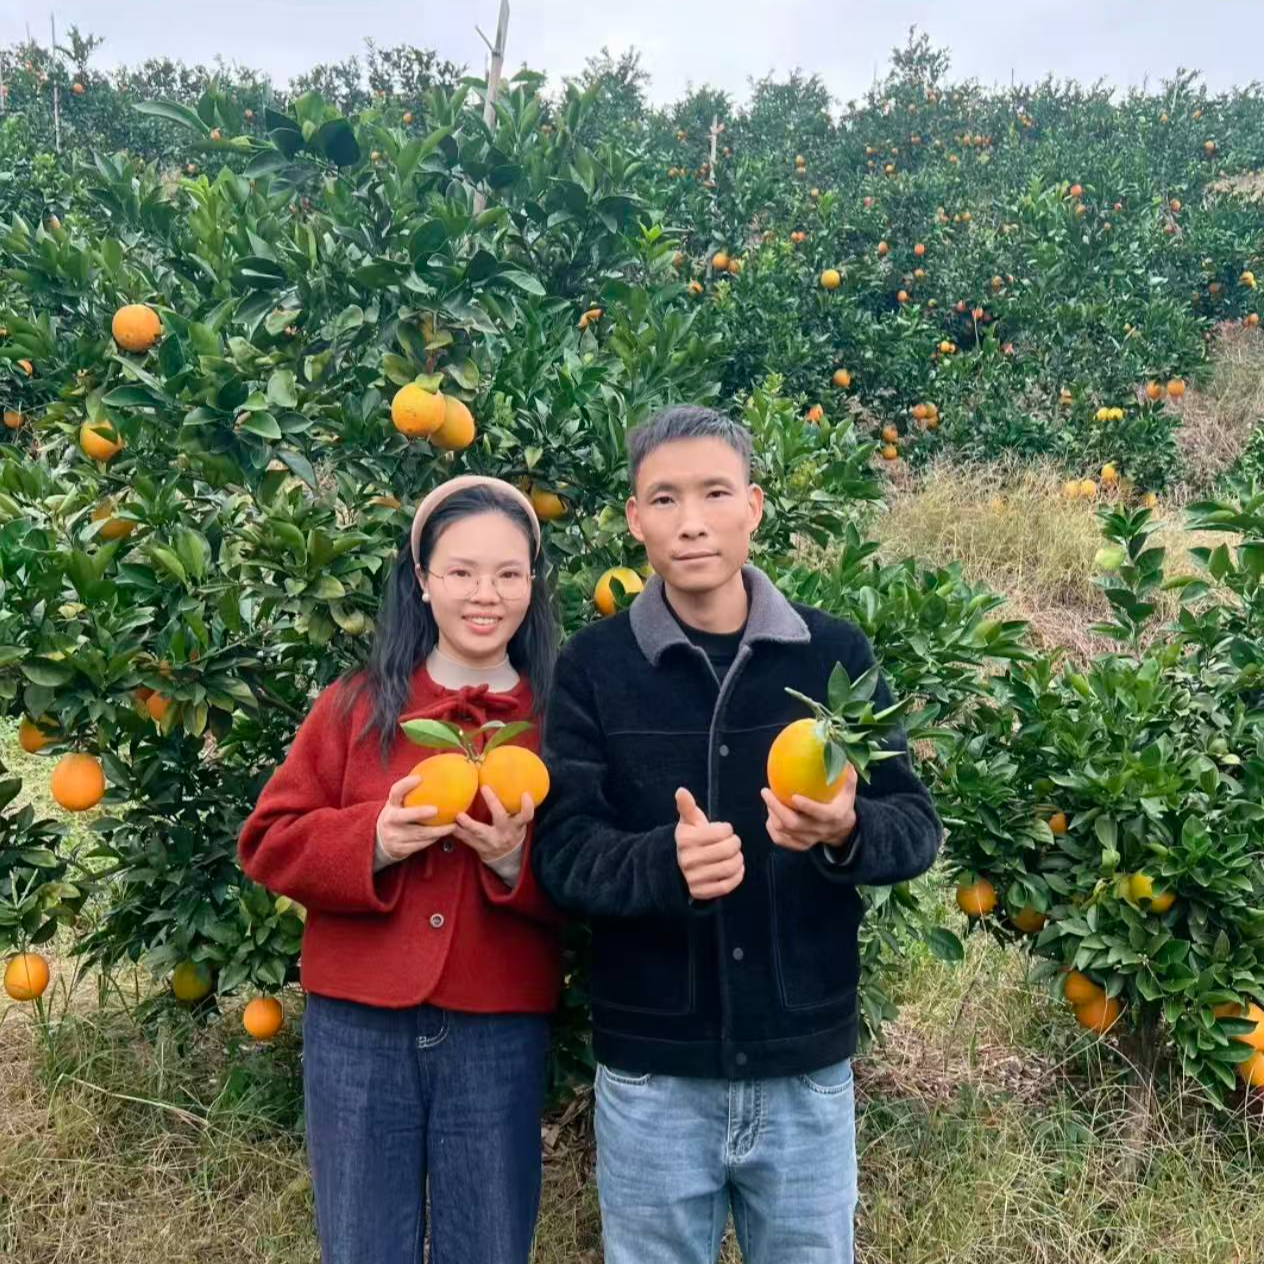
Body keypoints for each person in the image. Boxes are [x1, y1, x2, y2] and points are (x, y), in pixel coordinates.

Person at [532, 405, 942, 1264]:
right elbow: (562, 852)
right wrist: (664, 863)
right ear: (635, 519)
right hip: (654, 1078)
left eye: (715, 493)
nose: (692, 521)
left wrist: (846, 829)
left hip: (804, 1072)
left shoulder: (829, 655)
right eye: (665, 498)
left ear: (753, 506)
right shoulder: (597, 668)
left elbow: (914, 827)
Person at [237, 475, 563, 1264]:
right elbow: (268, 840)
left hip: (497, 1026)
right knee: (362, 1244)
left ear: (532, 583)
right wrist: (373, 842)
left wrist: (516, 863)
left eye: (508, 573)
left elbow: (593, 877)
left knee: (487, 1242)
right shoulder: (356, 706)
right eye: (461, 571)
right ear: (421, 579)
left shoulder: (557, 720)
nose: (485, 594)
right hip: (359, 1025)